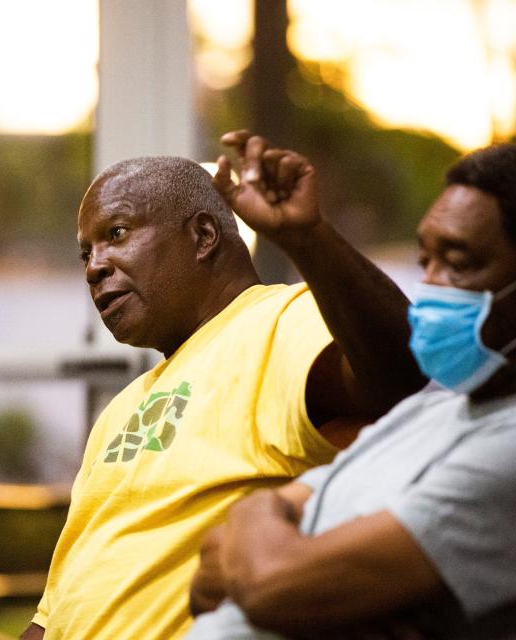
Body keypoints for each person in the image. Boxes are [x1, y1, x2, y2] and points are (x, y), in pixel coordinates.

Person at [0, 136, 425, 640]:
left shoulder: (277, 320)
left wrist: (309, 238)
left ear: (204, 237)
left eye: (116, 234)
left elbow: (397, 378)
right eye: (85, 252)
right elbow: (54, 611)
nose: (94, 266)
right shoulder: (125, 408)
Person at [188, 140, 516, 639]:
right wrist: (259, 522)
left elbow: (272, 584)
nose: (430, 287)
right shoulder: (434, 408)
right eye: (425, 260)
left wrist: (264, 549)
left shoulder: (506, 448)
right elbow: (208, 577)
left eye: (459, 261)